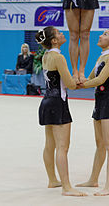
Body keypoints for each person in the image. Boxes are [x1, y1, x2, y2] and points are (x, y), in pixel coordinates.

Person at [35, 26, 87, 197]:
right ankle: (66, 187)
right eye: (58, 33)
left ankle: (53, 180)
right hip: (58, 103)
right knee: (63, 147)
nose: (63, 33)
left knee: (50, 144)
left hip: (47, 101)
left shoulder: (46, 56)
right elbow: (70, 84)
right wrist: (82, 81)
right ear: (54, 41)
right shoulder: (58, 57)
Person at [76, 29, 109, 196]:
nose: (100, 36)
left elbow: (100, 80)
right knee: (100, 144)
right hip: (99, 100)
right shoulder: (102, 56)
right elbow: (90, 78)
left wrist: (79, 86)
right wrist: (77, 80)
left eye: (105, 34)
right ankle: (93, 179)